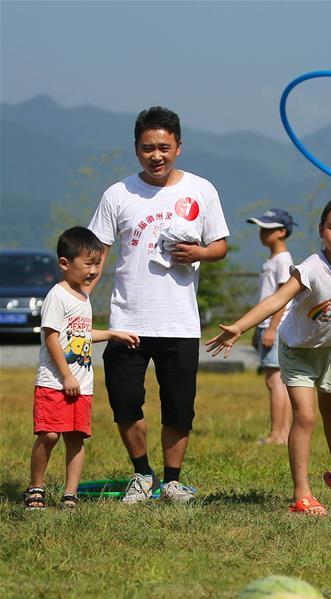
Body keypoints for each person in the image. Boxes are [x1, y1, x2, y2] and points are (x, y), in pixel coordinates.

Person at [89, 106, 229, 504]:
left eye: (164, 147)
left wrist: (198, 251)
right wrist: (76, 299)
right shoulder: (118, 194)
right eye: (148, 148)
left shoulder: (201, 190)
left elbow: (220, 245)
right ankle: (141, 474)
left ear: (179, 147)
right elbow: (96, 254)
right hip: (127, 319)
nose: (156, 156)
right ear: (136, 149)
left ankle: (171, 481)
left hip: (180, 322)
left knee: (179, 407)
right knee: (125, 400)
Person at [206, 195, 331, 515]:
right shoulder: (309, 268)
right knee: (306, 416)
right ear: (322, 230)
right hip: (297, 351)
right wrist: (239, 326)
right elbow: (276, 300)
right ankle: (302, 494)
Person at [24, 227, 139, 510]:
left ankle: (70, 493)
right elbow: (52, 337)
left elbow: (82, 334)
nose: (94, 270)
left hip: (81, 384)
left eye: (97, 264)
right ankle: (35, 487)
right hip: (55, 382)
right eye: (88, 264)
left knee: (76, 438)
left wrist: (113, 334)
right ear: (65, 263)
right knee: (49, 435)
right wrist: (66, 375)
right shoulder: (58, 295)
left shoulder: (83, 297)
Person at [246, 208, 296, 445]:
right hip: (266, 324)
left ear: (281, 232)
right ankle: (282, 432)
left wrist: (272, 328)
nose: (261, 233)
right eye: (261, 228)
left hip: (274, 325)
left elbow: (282, 297)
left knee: (274, 380)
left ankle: (278, 434)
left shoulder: (283, 260)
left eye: (267, 229)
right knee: (276, 380)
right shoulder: (274, 259)